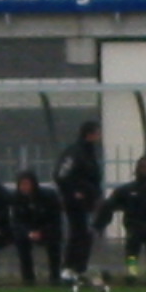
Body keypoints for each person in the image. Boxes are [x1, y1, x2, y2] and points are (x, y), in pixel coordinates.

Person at [92, 154, 146, 284]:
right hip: (135, 225)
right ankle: (132, 269)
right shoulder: (128, 190)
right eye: (143, 167)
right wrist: (99, 224)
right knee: (133, 239)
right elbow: (110, 204)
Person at [54, 120, 102, 282]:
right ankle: (68, 268)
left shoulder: (89, 152)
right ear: (89, 134)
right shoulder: (75, 152)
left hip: (87, 202)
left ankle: (80, 267)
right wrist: (74, 192)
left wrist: (95, 195)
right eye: (97, 133)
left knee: (86, 234)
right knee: (77, 232)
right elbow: (61, 175)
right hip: (75, 203)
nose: (99, 136)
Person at [10, 170, 63, 286]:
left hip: (46, 229)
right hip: (27, 231)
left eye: (27, 184)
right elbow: (16, 221)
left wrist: (42, 232)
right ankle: (28, 278)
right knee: (20, 241)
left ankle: (55, 276)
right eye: (22, 184)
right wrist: (28, 233)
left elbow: (55, 220)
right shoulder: (16, 198)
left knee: (54, 242)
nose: (24, 187)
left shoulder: (49, 196)